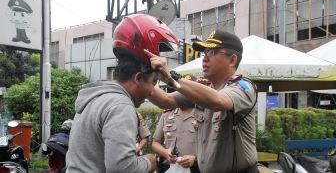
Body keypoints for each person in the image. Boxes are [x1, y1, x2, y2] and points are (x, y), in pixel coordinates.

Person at [66, 14, 179, 173]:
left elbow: (169, 101)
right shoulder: (120, 106)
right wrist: (150, 161)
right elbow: (122, 168)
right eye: (153, 83)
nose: (152, 91)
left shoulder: (95, 97)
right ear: (139, 78)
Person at [145, 30, 259, 173]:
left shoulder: (244, 87)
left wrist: (171, 77)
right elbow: (165, 100)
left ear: (232, 60)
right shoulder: (202, 90)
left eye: (212, 52)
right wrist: (144, 75)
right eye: (205, 53)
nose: (205, 59)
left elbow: (219, 100)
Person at [152, 105, 201, 173]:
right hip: (168, 168)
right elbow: (155, 143)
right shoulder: (167, 114)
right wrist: (165, 153)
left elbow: (211, 146)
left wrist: (195, 158)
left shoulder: (203, 114)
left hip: (195, 169)